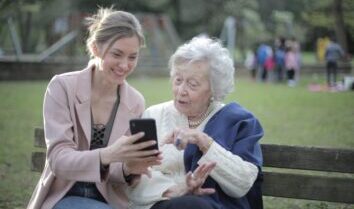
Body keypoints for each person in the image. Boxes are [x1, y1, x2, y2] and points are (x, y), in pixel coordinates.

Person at [27, 7, 162, 209]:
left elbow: (116, 172)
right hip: (62, 197)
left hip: (109, 201)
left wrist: (129, 168)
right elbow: (58, 160)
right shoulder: (62, 87)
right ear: (95, 48)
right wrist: (108, 154)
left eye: (132, 57)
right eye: (117, 54)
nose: (124, 65)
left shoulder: (135, 101)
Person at [125, 36, 264, 209]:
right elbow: (134, 178)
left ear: (214, 88)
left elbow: (243, 183)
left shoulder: (238, 121)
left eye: (192, 84)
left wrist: (204, 142)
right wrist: (173, 190)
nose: (181, 90)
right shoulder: (153, 115)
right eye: (178, 80)